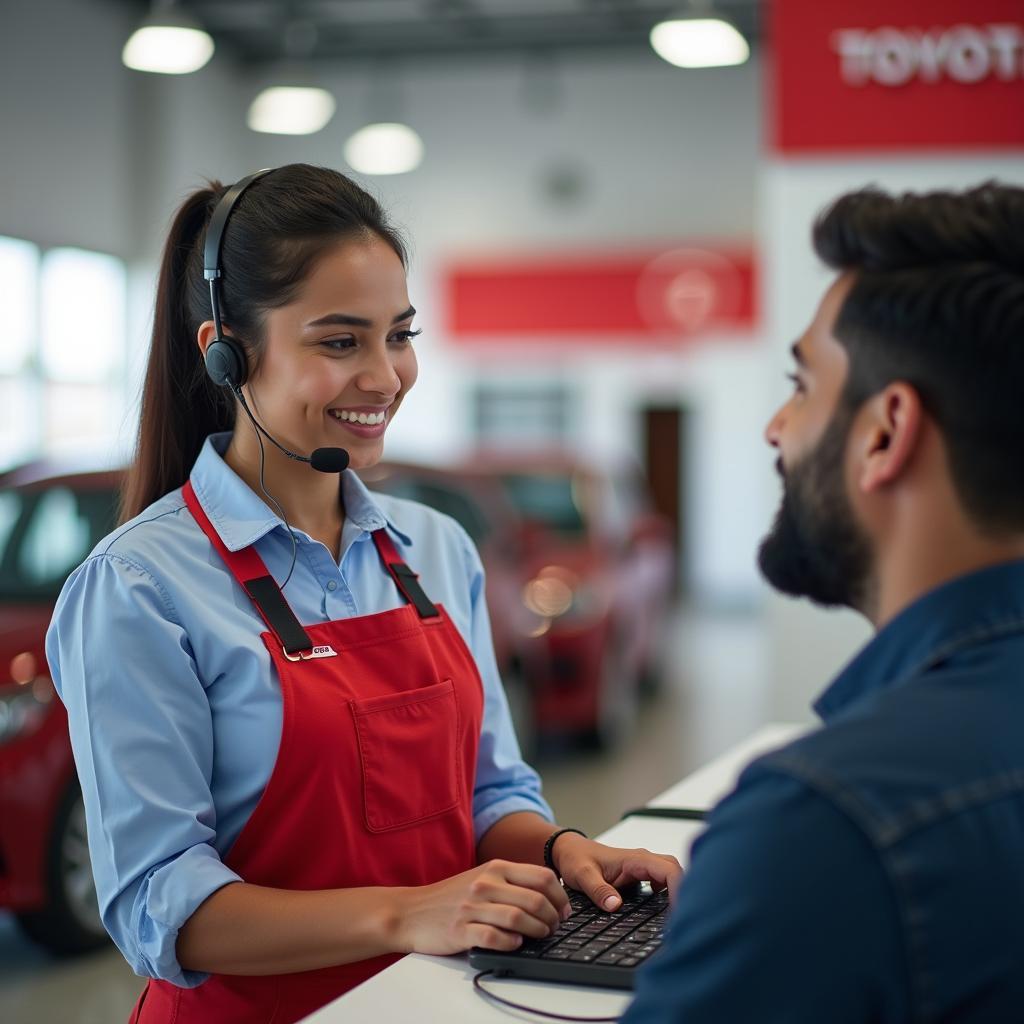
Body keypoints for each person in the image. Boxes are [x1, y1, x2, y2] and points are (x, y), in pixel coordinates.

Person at [45, 163, 682, 1024]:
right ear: (227, 353)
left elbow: (491, 794)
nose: (386, 377)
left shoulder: (437, 551)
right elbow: (161, 904)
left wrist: (567, 852)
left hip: (438, 1006)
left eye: (400, 335)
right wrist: (407, 912)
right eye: (340, 342)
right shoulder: (139, 589)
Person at [623, 181, 1024, 1023]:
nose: (777, 426)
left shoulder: (826, 824)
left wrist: (765, 892)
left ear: (884, 433)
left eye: (802, 385)